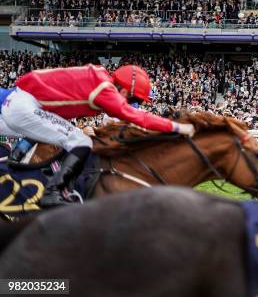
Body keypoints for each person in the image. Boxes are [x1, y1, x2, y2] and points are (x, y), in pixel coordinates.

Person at [1, 64, 195, 207]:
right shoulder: (105, 90)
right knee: (81, 142)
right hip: (23, 107)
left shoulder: (100, 78)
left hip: (17, 103)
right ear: (125, 90)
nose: (133, 103)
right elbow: (135, 117)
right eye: (134, 99)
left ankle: (44, 179)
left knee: (71, 139)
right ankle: (53, 192)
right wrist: (176, 128)